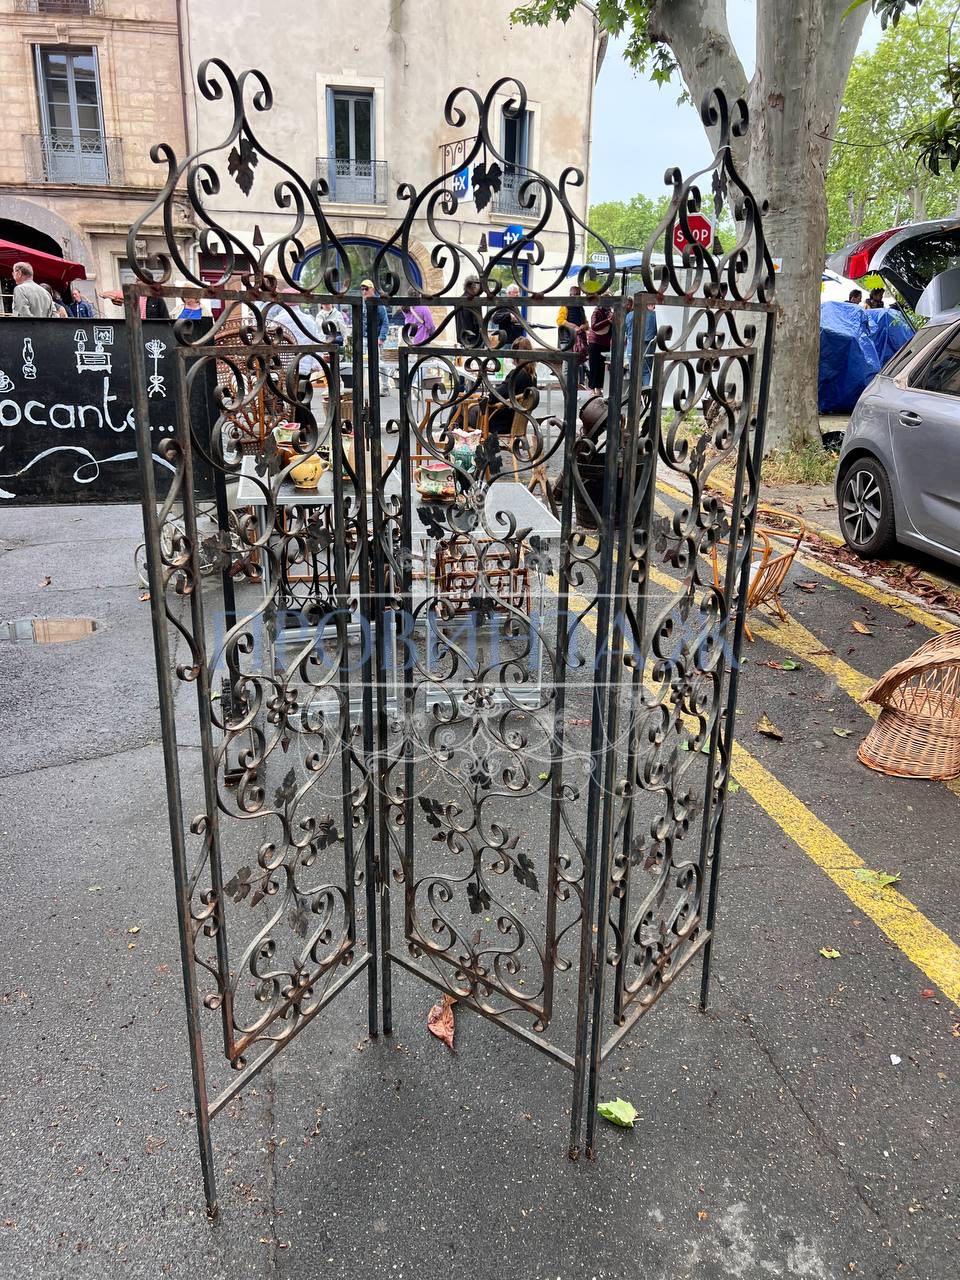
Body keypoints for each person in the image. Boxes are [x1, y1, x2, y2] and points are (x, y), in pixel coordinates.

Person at [487, 336, 538, 435]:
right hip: (516, 419)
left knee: (463, 409)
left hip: (500, 420)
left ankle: (457, 438)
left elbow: (494, 396)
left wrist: (487, 394)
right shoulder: (532, 375)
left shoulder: (517, 374)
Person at [360, 278, 390, 396]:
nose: (364, 291)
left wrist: (381, 338)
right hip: (363, 338)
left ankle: (385, 386)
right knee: (361, 362)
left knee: (379, 363)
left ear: (372, 289)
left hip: (375, 338)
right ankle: (360, 389)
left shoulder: (379, 304)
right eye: (362, 289)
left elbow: (385, 322)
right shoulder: (361, 303)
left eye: (366, 289)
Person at [585, 300, 613, 392]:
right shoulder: (596, 312)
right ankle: (593, 388)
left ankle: (599, 388)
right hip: (595, 342)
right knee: (594, 366)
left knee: (601, 367)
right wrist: (608, 321)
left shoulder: (610, 313)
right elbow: (594, 326)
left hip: (605, 342)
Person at [453, 274, 483, 349]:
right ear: (474, 286)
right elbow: (477, 323)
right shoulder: (474, 301)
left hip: (462, 338)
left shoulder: (458, 300)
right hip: (474, 340)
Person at [491, 283, 524, 347]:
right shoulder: (503, 304)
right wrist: (509, 315)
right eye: (515, 292)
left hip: (515, 341)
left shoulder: (515, 306)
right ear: (509, 293)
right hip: (506, 342)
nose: (518, 294)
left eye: (518, 292)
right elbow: (495, 319)